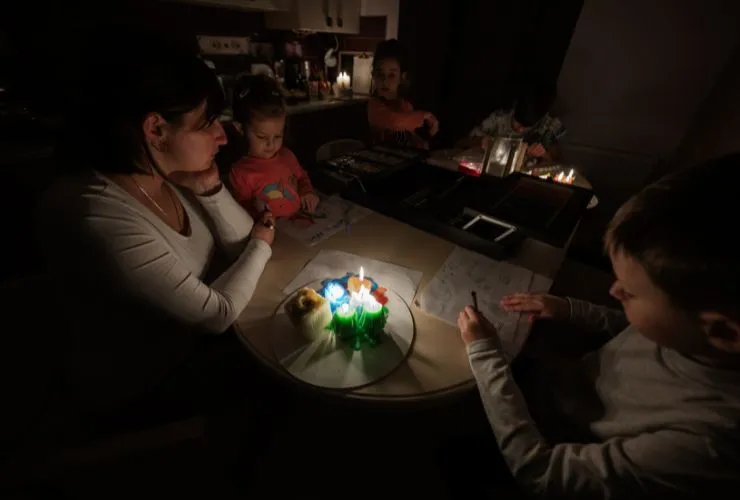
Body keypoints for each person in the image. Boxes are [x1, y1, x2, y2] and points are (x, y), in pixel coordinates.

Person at [453, 153, 740, 499]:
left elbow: (539, 473)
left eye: (630, 292)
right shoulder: (694, 334)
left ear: (723, 332)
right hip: (561, 390)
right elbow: (631, 328)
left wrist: (486, 356)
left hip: (557, 444)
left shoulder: (703, 443)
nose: (612, 290)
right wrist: (568, 309)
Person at [38, 33, 277, 414]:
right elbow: (217, 313)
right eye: (208, 122)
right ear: (156, 130)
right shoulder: (101, 218)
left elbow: (238, 246)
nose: (222, 136)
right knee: (281, 376)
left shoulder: (168, 174)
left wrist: (211, 188)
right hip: (144, 384)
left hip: (188, 345)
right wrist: (264, 242)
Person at [228, 74, 320, 219]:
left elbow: (302, 178)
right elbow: (239, 214)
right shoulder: (240, 173)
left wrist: (307, 192)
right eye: (262, 137)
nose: (271, 145)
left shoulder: (288, 156)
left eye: (278, 136)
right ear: (240, 128)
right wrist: (255, 210)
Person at [460, 84, 565, 163]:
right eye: (517, 123)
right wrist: (481, 141)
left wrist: (543, 155)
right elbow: (461, 142)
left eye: (526, 127)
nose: (520, 130)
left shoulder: (549, 125)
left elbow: (556, 162)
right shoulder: (499, 117)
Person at [367, 39, 439, 149]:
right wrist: (423, 116)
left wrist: (421, 143)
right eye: (380, 74)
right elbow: (393, 121)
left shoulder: (405, 106)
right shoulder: (373, 106)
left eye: (391, 75)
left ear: (402, 77)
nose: (385, 81)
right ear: (373, 76)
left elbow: (408, 134)